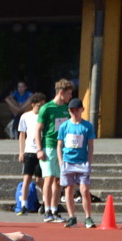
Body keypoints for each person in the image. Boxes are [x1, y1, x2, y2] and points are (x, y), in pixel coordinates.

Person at [36, 79, 74, 223]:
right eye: (69, 94)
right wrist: (39, 149)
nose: (70, 97)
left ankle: (54, 209)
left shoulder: (66, 109)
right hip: (49, 146)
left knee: (59, 180)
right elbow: (38, 130)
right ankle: (47, 211)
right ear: (61, 92)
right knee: (49, 178)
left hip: (62, 147)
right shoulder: (46, 108)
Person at [57, 98, 97, 228]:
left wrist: (89, 162)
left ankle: (88, 217)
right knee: (68, 190)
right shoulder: (64, 126)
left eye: (77, 110)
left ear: (82, 110)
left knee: (84, 190)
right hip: (67, 162)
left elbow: (90, 145)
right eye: (71, 110)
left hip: (82, 162)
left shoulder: (87, 126)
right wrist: (60, 161)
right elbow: (59, 144)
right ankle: (71, 217)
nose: (74, 112)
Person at [17, 93, 46, 217]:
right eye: (39, 105)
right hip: (29, 150)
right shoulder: (25, 116)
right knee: (27, 178)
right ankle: (24, 205)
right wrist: (21, 151)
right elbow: (22, 135)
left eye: (43, 105)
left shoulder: (44, 117)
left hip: (41, 151)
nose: (41, 108)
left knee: (40, 179)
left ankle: (45, 202)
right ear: (33, 104)